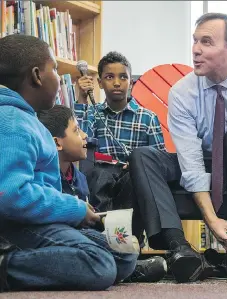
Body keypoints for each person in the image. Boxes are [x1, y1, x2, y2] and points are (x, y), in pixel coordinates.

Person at [128, 12, 227, 282]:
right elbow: (190, 162)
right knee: (142, 156)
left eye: (206, 42)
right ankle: (180, 250)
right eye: (194, 41)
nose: (195, 49)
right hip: (198, 160)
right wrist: (212, 221)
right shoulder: (181, 92)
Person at [0, 34, 137, 292]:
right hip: (14, 227)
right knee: (99, 265)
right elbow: (10, 195)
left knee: (123, 252)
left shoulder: (26, 120)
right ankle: (8, 265)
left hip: (35, 222)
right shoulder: (11, 122)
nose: (58, 77)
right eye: (55, 69)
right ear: (37, 76)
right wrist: (72, 209)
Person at [37, 105, 167, 283]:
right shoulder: (45, 177)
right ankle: (126, 269)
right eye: (76, 131)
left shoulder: (80, 179)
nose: (84, 136)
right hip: (59, 236)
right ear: (57, 143)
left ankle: (123, 266)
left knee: (126, 249)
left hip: (80, 236)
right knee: (119, 255)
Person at [75, 51, 166, 212]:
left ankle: (126, 233)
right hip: (101, 180)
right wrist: (82, 98)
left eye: (123, 77)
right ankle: (100, 228)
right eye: (109, 77)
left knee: (135, 181)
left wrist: (139, 165)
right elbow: (78, 144)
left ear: (131, 83)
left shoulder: (147, 118)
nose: (117, 83)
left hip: (132, 180)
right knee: (100, 175)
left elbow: (160, 160)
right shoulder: (93, 114)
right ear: (100, 82)